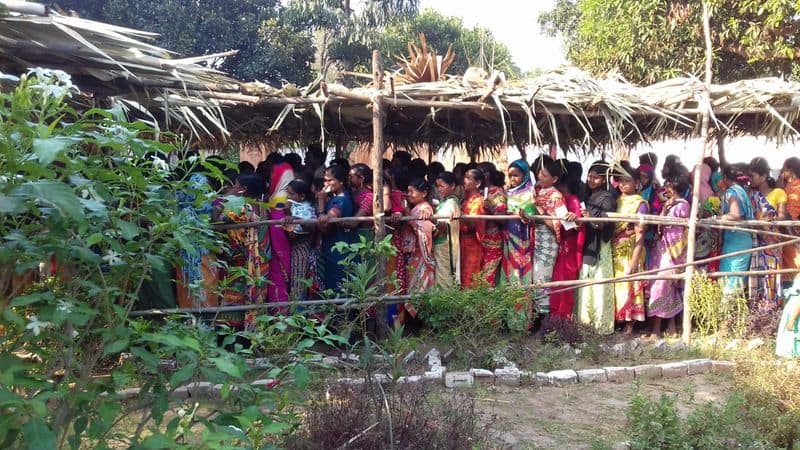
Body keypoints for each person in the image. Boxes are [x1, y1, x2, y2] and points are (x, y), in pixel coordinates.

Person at [216, 173, 269, 329]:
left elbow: (215, 218)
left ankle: (232, 337)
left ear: (243, 190)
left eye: (236, 185)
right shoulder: (264, 207)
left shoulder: (241, 208)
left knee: (233, 300)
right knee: (252, 300)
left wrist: (226, 197)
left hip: (244, 263)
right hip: (262, 262)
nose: (233, 188)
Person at [575, 161, 616, 335]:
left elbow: (604, 225)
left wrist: (589, 217)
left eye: (596, 177)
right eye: (589, 176)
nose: (591, 180)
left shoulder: (607, 198)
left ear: (604, 179)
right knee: (585, 282)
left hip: (599, 246)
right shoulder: (586, 196)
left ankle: (601, 325)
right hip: (587, 243)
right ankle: (585, 322)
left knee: (599, 284)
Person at [648, 177, 690, 337]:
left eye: (668, 186)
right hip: (663, 249)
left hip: (673, 251)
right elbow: (660, 226)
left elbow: (679, 233)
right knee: (666, 287)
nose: (665, 189)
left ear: (673, 188)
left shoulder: (683, 205)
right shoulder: (668, 204)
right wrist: (665, 209)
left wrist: (675, 253)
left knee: (662, 286)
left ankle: (657, 329)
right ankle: (670, 327)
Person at [612, 161, 648, 334]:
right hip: (615, 247)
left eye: (627, 181)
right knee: (617, 285)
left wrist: (635, 258)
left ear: (636, 183)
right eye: (620, 181)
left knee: (630, 283)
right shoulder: (615, 200)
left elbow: (640, 234)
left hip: (631, 247)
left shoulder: (640, 203)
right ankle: (617, 318)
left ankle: (630, 323)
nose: (623, 184)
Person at [175, 173, 218, 309]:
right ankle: (203, 323)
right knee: (205, 288)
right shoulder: (200, 212)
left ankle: (191, 324)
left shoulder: (182, 211)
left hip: (184, 261)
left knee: (188, 289)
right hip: (203, 257)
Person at [532, 159, 566, 315]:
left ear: (554, 179)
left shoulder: (557, 197)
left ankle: (542, 317)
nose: (540, 176)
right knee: (534, 277)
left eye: (545, 175)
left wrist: (540, 210)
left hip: (547, 241)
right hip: (534, 239)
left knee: (542, 278)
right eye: (540, 173)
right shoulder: (537, 192)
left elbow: (557, 225)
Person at [550, 165, 584, 319]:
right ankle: (556, 315)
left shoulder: (572, 200)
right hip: (560, 243)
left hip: (569, 245)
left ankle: (563, 316)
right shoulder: (560, 200)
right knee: (558, 280)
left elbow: (576, 226)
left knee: (565, 281)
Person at [717, 163, 755, 300]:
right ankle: (733, 316)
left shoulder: (730, 192)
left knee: (730, 280)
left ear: (726, 178)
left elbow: (735, 214)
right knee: (737, 280)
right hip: (744, 238)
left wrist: (718, 218)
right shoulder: (742, 190)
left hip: (735, 240)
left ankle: (728, 317)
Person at [317, 165, 355, 292]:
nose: (326, 184)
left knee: (338, 289)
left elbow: (326, 222)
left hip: (338, 252)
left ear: (341, 181)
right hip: (337, 250)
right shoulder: (336, 197)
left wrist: (321, 204)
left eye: (330, 180)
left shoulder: (340, 200)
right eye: (325, 180)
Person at [748, 157, 782, 303]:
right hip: (756, 240)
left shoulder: (778, 193)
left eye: (752, 176)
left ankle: (772, 305)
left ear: (763, 177)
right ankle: (759, 306)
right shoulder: (751, 195)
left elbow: (782, 217)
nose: (750, 179)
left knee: (772, 273)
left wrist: (770, 220)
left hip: (772, 239)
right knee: (759, 274)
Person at [265, 159, 295, 308]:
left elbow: (277, 229)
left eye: (272, 174)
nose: (270, 178)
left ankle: (280, 318)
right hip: (285, 247)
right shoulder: (286, 195)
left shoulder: (279, 199)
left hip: (279, 251)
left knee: (278, 283)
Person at [502, 159, 536, 285]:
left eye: (516, 175)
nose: (512, 179)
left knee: (521, 265)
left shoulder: (530, 193)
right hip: (508, 234)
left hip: (522, 236)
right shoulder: (506, 192)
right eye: (510, 176)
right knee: (509, 266)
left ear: (525, 175)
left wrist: (522, 214)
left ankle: (522, 302)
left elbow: (531, 214)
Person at [284, 179, 316, 302]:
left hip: (301, 246)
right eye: (288, 193)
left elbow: (310, 226)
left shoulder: (306, 208)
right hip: (294, 245)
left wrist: (297, 219)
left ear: (301, 196)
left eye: (292, 194)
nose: (288, 196)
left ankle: (299, 312)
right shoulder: (293, 206)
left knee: (298, 280)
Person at [428, 172, 461, 287]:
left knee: (445, 276)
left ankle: (447, 302)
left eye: (442, 186)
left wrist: (432, 219)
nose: (439, 189)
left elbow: (444, 226)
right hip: (440, 244)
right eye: (437, 186)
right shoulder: (444, 202)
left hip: (446, 246)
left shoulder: (451, 203)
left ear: (452, 186)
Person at [478, 162, 507, 286]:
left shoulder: (497, 192)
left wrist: (491, 209)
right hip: (479, 240)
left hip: (492, 240)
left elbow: (503, 218)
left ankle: (486, 305)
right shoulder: (478, 191)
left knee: (487, 278)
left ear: (487, 175)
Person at [460, 169, 486, 288]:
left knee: (470, 275)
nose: (464, 180)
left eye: (468, 178)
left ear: (478, 183)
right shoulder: (466, 199)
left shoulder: (478, 201)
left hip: (472, 244)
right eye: (464, 177)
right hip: (463, 242)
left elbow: (473, 223)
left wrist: (460, 214)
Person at [781, 157, 800, 285]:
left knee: (794, 264)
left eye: (784, 169)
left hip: (792, 234)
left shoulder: (794, 188)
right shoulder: (790, 187)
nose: (782, 172)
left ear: (791, 171)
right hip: (790, 234)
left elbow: (792, 216)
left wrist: (793, 237)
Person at [348, 163, 374, 242]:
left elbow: (354, 222)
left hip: (364, 236)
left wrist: (335, 221)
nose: (348, 179)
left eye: (351, 176)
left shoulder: (369, 197)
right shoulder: (352, 194)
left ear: (361, 178)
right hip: (352, 235)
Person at [776, 275, 800, 358]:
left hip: (796, 311)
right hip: (792, 308)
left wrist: (793, 318)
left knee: (794, 334)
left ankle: (794, 355)